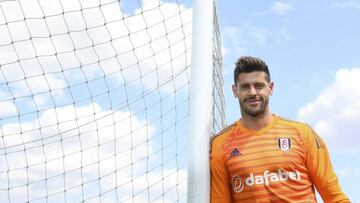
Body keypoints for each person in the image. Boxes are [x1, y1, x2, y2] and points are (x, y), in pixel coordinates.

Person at [210, 56, 350, 202]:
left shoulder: (303, 134)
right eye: (245, 87)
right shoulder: (220, 144)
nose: (252, 92)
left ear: (270, 88)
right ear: (235, 91)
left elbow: (335, 197)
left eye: (259, 86)